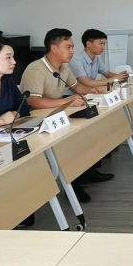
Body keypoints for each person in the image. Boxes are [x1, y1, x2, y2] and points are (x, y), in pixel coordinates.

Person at [20, 28, 113, 202]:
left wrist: (92, 90)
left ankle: (86, 172)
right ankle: (73, 185)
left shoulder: (63, 67)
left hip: (56, 114)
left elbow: (76, 87)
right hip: (38, 120)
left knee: (87, 130)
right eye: (68, 47)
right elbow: (33, 101)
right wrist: (67, 102)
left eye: (72, 47)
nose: (72, 51)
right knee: (71, 142)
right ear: (54, 48)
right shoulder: (36, 69)